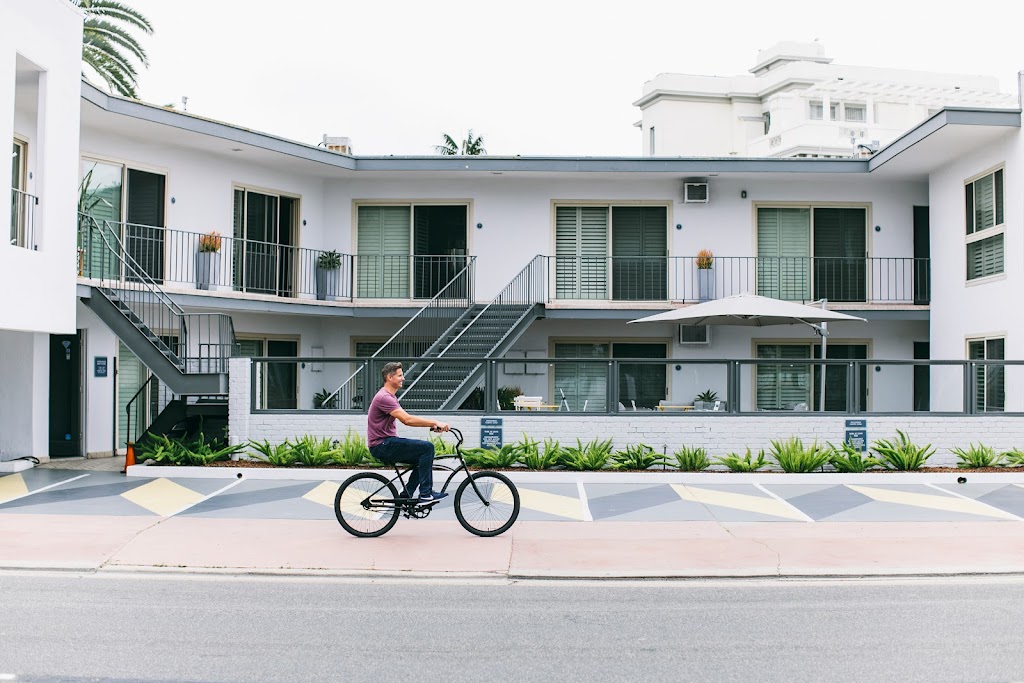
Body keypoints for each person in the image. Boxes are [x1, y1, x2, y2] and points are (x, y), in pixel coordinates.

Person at [367, 361, 450, 503]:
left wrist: (431, 426)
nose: (403, 378)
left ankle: (407, 493)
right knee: (427, 448)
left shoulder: (390, 396)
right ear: (389, 377)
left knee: (423, 456)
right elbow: (407, 420)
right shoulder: (384, 397)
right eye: (400, 375)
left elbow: (408, 419)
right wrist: (435, 422)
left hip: (385, 443)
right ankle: (425, 493)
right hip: (382, 445)